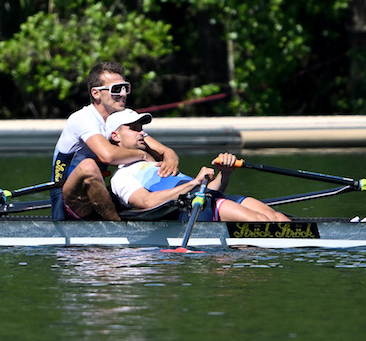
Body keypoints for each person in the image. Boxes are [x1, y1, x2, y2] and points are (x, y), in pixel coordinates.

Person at [107, 108, 290, 222]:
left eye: (142, 127)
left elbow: (209, 189)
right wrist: (193, 183)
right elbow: (147, 202)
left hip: (207, 199)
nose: (142, 133)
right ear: (115, 136)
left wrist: (225, 174)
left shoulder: (156, 164)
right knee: (260, 221)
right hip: (190, 211)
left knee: (278, 218)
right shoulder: (122, 177)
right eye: (134, 128)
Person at [50, 62, 180, 220]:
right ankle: (116, 225)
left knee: (142, 157)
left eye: (125, 87)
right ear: (96, 93)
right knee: (88, 166)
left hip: (98, 191)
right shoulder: (82, 118)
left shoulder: (122, 118)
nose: (124, 94)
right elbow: (108, 156)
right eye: (116, 89)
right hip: (67, 196)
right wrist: (142, 155)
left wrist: (171, 159)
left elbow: (163, 151)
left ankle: (170, 208)